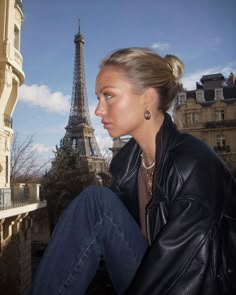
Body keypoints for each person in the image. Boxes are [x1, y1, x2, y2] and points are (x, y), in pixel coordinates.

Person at [30, 48, 236, 295]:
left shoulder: (194, 162)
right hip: (151, 274)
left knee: (96, 202)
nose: (97, 110)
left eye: (108, 96)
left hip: (196, 285)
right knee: (96, 202)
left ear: (147, 98)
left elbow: (186, 273)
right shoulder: (126, 167)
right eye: (97, 98)